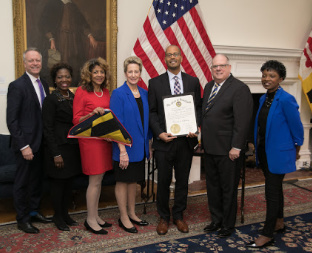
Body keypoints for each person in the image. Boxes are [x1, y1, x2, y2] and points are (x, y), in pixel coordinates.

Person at [246, 60, 304, 248]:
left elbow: (297, 126)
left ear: (281, 79)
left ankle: (267, 233)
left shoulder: (286, 99)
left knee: (271, 192)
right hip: (264, 151)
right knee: (276, 188)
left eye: (271, 76)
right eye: (264, 75)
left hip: (278, 153)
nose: (266, 79)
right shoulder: (264, 98)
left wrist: (298, 148)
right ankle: (279, 221)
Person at [148, 45, 202, 235]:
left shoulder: (193, 81)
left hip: (185, 142)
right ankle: (163, 217)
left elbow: (198, 109)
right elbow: (152, 112)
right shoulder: (154, 83)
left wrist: (194, 128)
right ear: (164, 59)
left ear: (181, 57)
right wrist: (159, 133)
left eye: (175, 54)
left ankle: (178, 215)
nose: (172, 57)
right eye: (169, 55)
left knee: (182, 182)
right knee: (162, 181)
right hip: (164, 141)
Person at [201, 54, 253, 238]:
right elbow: (206, 114)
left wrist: (237, 147)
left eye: (222, 66)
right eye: (215, 66)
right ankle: (216, 220)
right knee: (213, 186)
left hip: (228, 150)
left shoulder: (240, 88)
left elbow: (243, 121)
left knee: (228, 188)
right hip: (210, 147)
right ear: (211, 68)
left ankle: (227, 224)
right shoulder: (209, 86)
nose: (218, 69)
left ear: (229, 67)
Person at [6, 48, 52, 234]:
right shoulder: (17, 86)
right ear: (24, 63)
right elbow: (12, 120)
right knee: (23, 183)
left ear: (41, 62)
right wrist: (24, 145)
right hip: (26, 145)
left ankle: (34, 211)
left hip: (41, 143)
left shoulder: (45, 84)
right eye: (31, 60)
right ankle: (22, 219)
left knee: (36, 181)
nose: (35, 63)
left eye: (38, 60)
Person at [110, 56, 151, 233]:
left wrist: (149, 144)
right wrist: (122, 151)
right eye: (130, 71)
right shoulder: (118, 94)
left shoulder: (144, 93)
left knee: (133, 181)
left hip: (140, 147)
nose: (133, 74)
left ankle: (133, 213)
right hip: (124, 147)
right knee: (122, 181)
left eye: (136, 71)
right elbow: (116, 123)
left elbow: (146, 121)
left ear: (140, 73)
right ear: (125, 73)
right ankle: (123, 216)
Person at [73, 57, 112, 235]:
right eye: (95, 72)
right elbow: (75, 120)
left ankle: (95, 216)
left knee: (100, 180)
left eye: (101, 72)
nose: (99, 75)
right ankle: (89, 219)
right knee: (94, 181)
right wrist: (91, 114)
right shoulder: (81, 91)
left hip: (105, 140)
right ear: (89, 74)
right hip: (90, 141)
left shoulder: (106, 92)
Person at [42, 63, 82, 231]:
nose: (64, 79)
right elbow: (47, 129)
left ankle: (65, 214)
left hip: (72, 147)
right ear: (55, 80)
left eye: (67, 76)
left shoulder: (73, 96)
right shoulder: (51, 99)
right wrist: (55, 154)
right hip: (58, 149)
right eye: (60, 77)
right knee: (58, 185)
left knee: (68, 184)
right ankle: (58, 217)